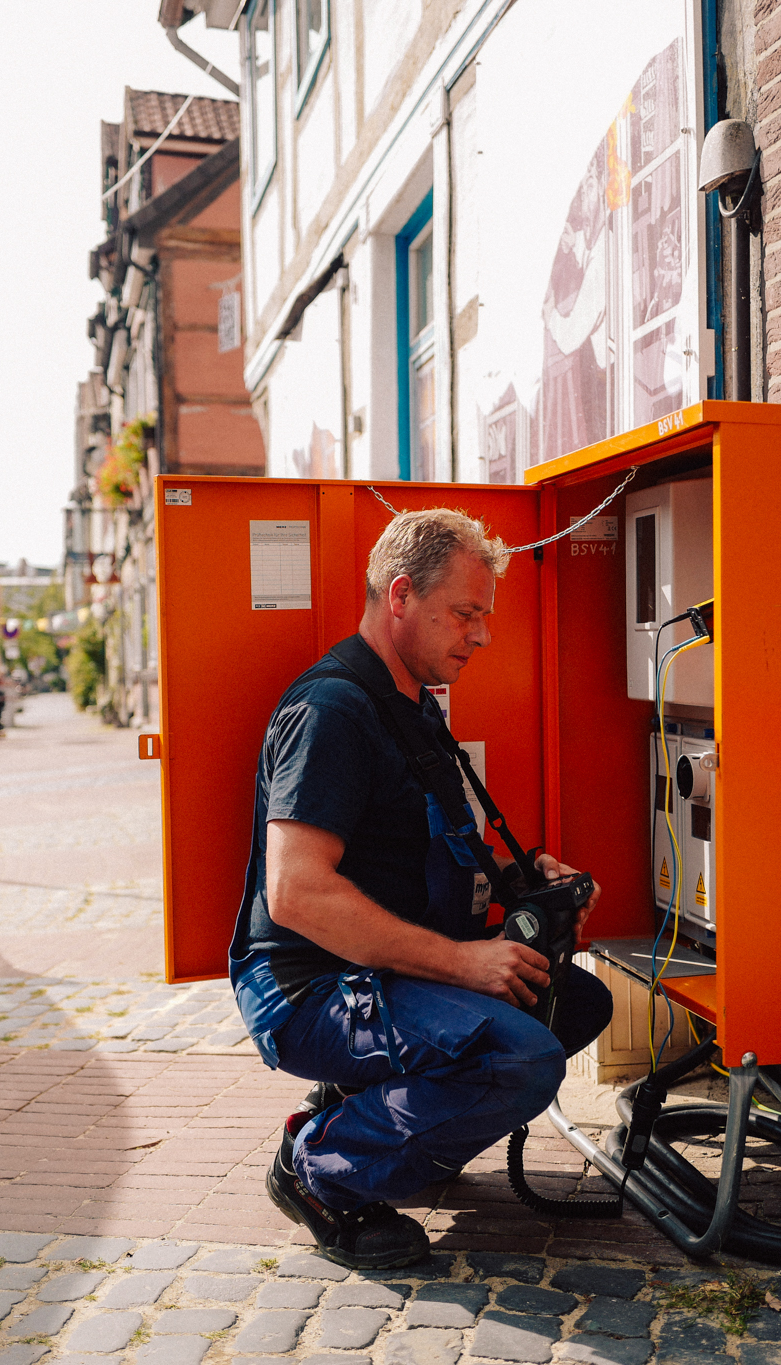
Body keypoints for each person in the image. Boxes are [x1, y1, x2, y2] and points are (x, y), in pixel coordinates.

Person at [229, 507, 614, 1269]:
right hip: (311, 987)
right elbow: (298, 894)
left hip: (391, 971)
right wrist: (465, 963)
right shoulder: (332, 711)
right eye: (466, 613)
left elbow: (424, 843)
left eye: (484, 616)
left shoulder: (415, 706)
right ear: (400, 595)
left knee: (574, 1001)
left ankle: (364, 1112)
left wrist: (526, 876)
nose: (481, 634)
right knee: (520, 1058)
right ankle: (317, 1167)